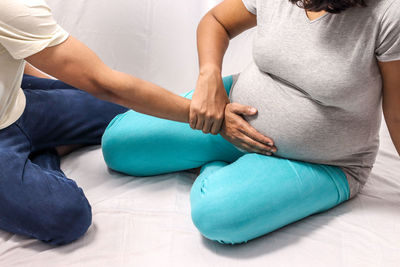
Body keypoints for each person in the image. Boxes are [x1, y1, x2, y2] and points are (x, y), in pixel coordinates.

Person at [102, 0, 400, 244]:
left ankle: (222, 168)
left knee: (216, 216)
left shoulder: (389, 14)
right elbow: (216, 21)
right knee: (118, 145)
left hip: (322, 161)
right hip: (229, 113)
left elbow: (397, 115)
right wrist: (209, 77)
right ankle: (226, 156)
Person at [0, 0, 268, 245]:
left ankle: (35, 148)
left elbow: (18, 47)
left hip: (17, 103)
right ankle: (38, 154)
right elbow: (102, 83)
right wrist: (211, 120)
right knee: (67, 216)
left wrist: (56, 91)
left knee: (124, 113)